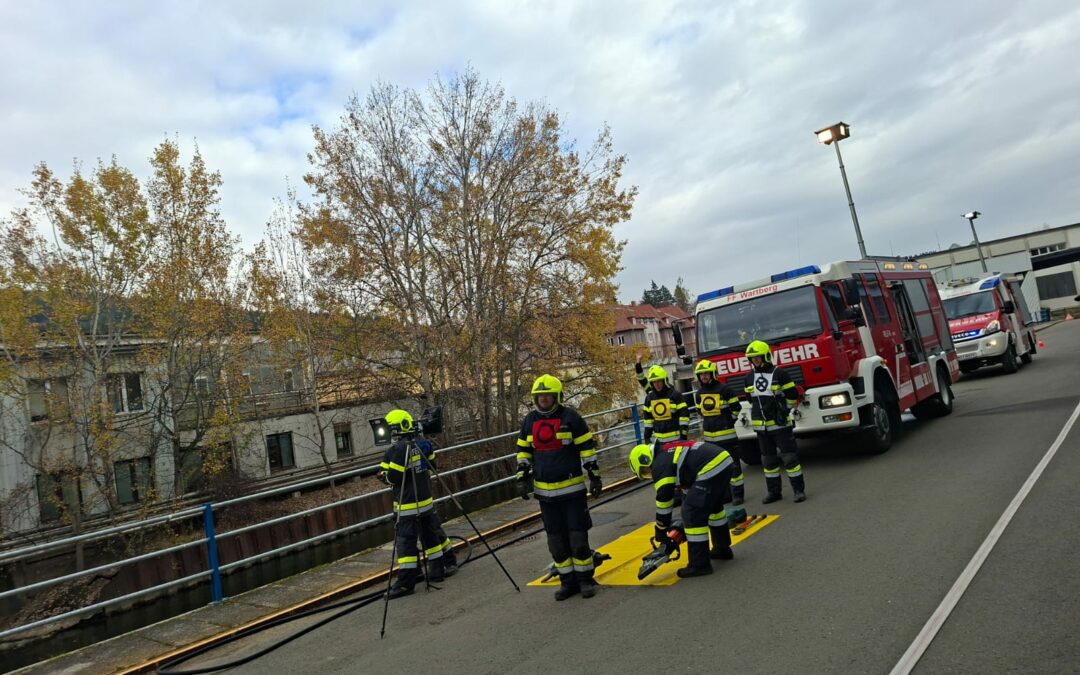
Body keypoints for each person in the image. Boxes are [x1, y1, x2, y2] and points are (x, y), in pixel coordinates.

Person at [515, 374, 602, 601]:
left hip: (572, 492)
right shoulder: (529, 421)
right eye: (540, 396)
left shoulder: (571, 417)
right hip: (546, 496)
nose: (544, 400)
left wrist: (594, 476)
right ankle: (568, 582)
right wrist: (522, 477)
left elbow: (587, 447)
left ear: (557, 396)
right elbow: (524, 451)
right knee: (556, 543)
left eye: (548, 396)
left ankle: (585, 580)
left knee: (577, 539)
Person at [380, 409, 458, 599]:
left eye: (390, 430)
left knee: (406, 543)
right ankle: (437, 571)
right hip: (425, 501)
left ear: (398, 429)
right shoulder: (424, 443)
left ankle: (407, 581)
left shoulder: (397, 450)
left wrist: (384, 476)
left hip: (407, 505)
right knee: (431, 537)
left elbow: (393, 477)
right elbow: (432, 466)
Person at [628, 440, 735, 577]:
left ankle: (699, 565)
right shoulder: (666, 452)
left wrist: (661, 529)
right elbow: (687, 483)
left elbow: (664, 499)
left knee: (691, 513)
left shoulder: (659, 464)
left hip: (712, 466)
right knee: (713, 508)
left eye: (645, 471)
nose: (649, 475)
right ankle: (722, 549)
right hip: (723, 462)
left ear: (645, 459)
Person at [743, 340, 806, 503]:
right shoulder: (749, 377)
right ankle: (774, 492)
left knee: (790, 458)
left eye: (757, 357)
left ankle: (798, 490)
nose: (755, 361)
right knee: (768, 461)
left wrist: (783, 411)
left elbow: (792, 396)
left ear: (765, 356)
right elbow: (751, 400)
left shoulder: (780, 374)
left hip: (780, 425)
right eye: (752, 358)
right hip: (761, 428)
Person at [691, 358, 746, 505]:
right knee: (717, 469)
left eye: (706, 374)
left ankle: (738, 495)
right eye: (701, 374)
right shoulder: (699, 394)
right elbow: (700, 412)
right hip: (710, 439)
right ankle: (725, 495)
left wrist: (728, 422)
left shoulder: (725, 390)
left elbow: (736, 408)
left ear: (713, 374)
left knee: (733, 467)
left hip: (727, 436)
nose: (704, 377)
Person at [634, 358, 689, 447]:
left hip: (676, 440)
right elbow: (648, 420)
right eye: (654, 382)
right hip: (659, 443)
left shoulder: (674, 394)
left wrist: (683, 435)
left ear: (664, 380)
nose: (657, 384)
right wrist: (647, 438)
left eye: (659, 381)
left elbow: (684, 416)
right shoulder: (650, 396)